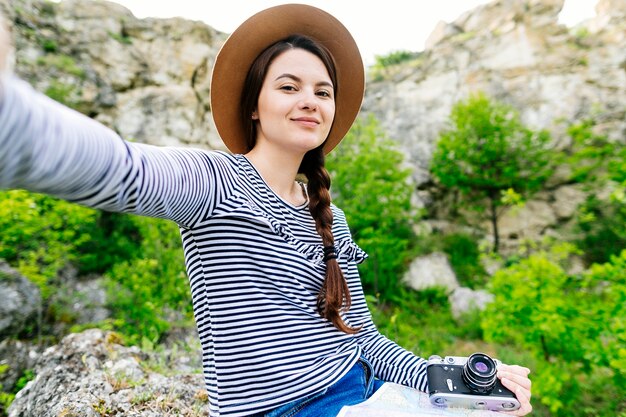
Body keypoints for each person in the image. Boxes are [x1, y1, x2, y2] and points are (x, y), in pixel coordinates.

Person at [0, 4, 532, 417]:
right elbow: (118, 169)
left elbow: (366, 342)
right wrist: (11, 119)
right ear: (254, 105)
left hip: (368, 393)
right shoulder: (213, 182)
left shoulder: (331, 218)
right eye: (289, 86)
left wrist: (461, 378)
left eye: (323, 91)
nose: (311, 100)